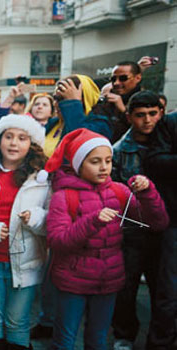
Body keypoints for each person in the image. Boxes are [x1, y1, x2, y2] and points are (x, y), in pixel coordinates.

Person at [44, 128, 168, 350]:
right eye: (95, 161)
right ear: (78, 164)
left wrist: (148, 192)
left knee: (98, 340)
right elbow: (58, 240)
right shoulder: (64, 195)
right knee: (65, 340)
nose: (104, 167)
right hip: (73, 281)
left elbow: (157, 222)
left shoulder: (119, 191)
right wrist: (93, 221)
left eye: (108, 160)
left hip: (108, 280)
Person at [0, 115, 50, 350]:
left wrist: (35, 218)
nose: (14, 143)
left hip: (26, 262)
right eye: (9, 136)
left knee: (18, 321)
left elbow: (51, 220)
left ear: (31, 144)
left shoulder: (42, 179)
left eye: (22, 138)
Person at [110, 91, 165, 350]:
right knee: (126, 287)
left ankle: (162, 337)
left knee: (164, 289)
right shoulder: (119, 150)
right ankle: (124, 335)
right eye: (141, 115)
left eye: (153, 114)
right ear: (130, 116)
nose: (147, 120)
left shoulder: (168, 141)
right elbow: (112, 192)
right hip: (131, 231)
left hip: (165, 228)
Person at [141, 103, 177, 350]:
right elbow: (154, 161)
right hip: (174, 221)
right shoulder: (170, 122)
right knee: (169, 288)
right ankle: (161, 343)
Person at [92, 61, 144, 143]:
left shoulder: (146, 100)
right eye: (113, 79)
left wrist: (123, 110)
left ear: (137, 78)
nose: (116, 83)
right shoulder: (106, 100)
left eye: (123, 78)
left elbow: (146, 130)